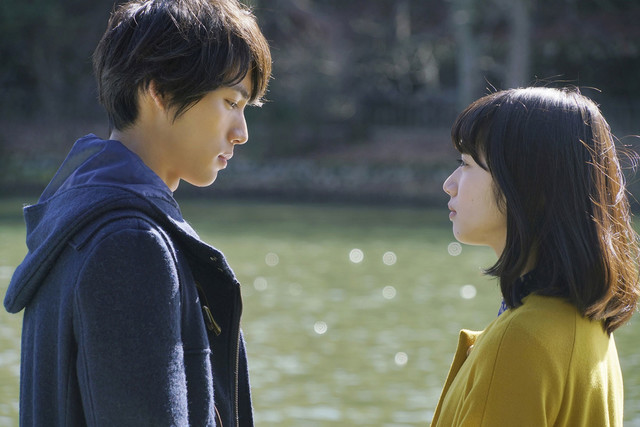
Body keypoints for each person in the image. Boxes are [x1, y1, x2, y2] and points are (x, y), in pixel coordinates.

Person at [4, 0, 271, 425]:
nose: (241, 133)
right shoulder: (129, 247)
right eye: (230, 102)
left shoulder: (81, 220)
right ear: (159, 91)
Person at [432, 87, 640, 426]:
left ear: (528, 184)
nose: (449, 184)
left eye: (466, 164)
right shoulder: (589, 324)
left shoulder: (521, 341)